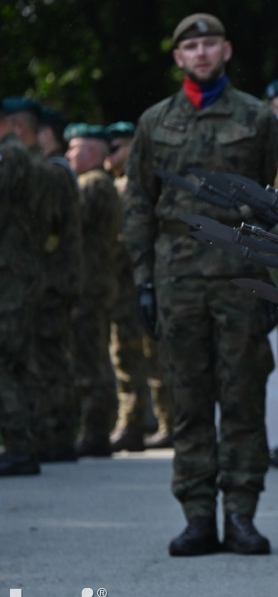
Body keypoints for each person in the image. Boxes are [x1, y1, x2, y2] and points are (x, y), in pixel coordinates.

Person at [123, 13, 278, 556]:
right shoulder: (154, 122)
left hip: (241, 278)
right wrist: (144, 282)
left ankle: (240, 514)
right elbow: (140, 207)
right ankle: (197, 516)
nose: (200, 52)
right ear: (177, 58)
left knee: (243, 397)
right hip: (177, 281)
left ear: (227, 50)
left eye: (209, 43)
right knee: (188, 400)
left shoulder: (258, 118)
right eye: (190, 45)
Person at [0, 97, 62, 476]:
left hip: (10, 274)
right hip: (21, 271)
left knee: (7, 360)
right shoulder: (27, 159)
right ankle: (26, 441)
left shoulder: (10, 156)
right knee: (20, 360)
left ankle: (19, 445)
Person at [105, 120, 175, 452]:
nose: (110, 155)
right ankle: (131, 424)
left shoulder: (144, 186)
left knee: (156, 355)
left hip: (147, 281)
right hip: (123, 287)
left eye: (116, 147)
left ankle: (169, 423)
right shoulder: (119, 186)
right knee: (126, 359)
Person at [64, 123, 121, 457]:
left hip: (89, 284)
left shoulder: (92, 184)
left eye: (75, 148)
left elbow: (70, 221)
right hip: (97, 281)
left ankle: (95, 430)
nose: (69, 154)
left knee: (90, 359)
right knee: (94, 355)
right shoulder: (102, 183)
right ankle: (95, 429)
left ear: (93, 153)